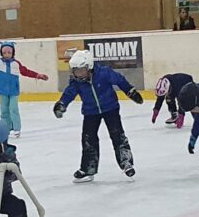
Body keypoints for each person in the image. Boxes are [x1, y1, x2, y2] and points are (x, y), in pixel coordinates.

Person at [53, 49, 143, 183]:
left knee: (118, 135)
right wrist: (62, 104)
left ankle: (126, 163)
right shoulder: (76, 81)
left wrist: (131, 92)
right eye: (75, 71)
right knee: (88, 139)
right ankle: (88, 168)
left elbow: (120, 80)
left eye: (81, 70)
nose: (78, 74)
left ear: (89, 67)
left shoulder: (104, 73)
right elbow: (69, 92)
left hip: (110, 108)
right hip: (90, 112)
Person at [0, 40, 48, 139]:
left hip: (14, 91)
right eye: (4, 52)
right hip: (2, 91)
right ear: (1, 53)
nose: (6, 55)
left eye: (9, 52)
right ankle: (5, 128)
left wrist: (37, 75)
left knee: (13, 109)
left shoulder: (16, 63)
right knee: (4, 111)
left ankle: (17, 128)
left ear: (13, 53)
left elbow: (25, 71)